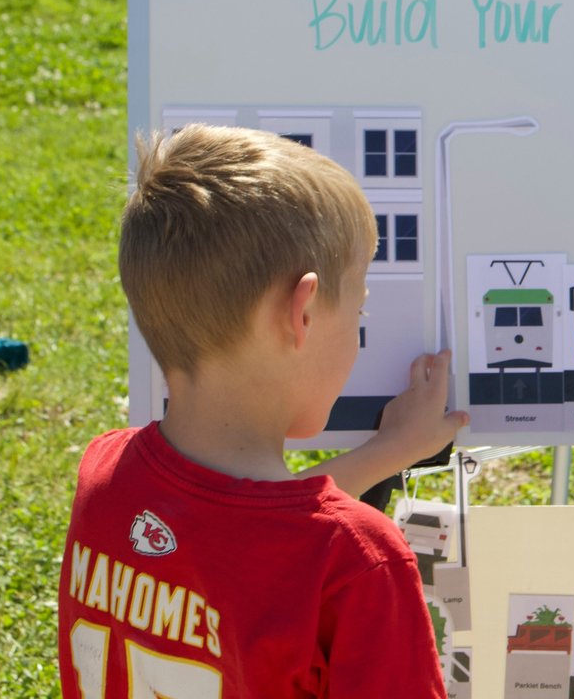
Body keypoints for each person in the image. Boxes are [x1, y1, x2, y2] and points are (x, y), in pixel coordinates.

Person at [58, 125, 468, 699]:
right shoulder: (359, 565)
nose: (358, 331)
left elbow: (245, 532)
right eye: (359, 312)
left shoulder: (106, 473)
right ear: (301, 314)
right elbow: (273, 543)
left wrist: (389, 452)